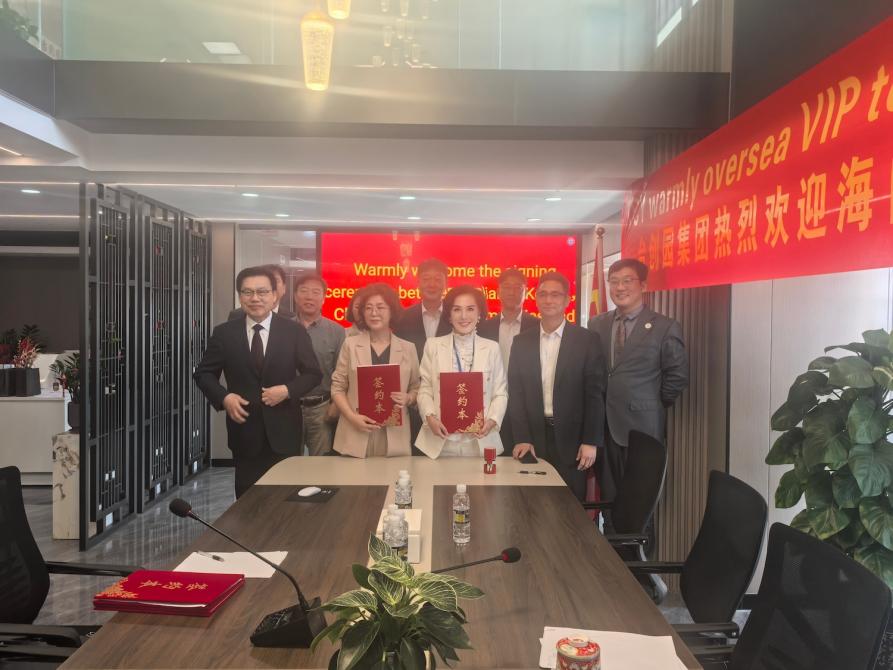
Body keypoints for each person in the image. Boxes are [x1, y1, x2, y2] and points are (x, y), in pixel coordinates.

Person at [194, 266, 321, 498]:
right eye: (248, 292)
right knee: (247, 499)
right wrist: (224, 397)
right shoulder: (224, 333)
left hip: (284, 430)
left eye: (262, 292)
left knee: (285, 499)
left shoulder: (293, 331)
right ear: (240, 296)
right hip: (244, 430)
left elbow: (313, 373)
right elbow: (203, 374)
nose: (255, 298)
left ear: (274, 295)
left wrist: (287, 390)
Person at [587, 258, 688, 505]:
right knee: (609, 500)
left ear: (643, 285)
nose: (620, 287)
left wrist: (649, 402)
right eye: (614, 282)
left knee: (640, 504)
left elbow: (677, 376)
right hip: (604, 429)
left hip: (643, 429)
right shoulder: (597, 324)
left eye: (627, 281)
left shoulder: (665, 327)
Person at [508, 271, 605, 500]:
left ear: (567, 300)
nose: (548, 300)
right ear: (536, 299)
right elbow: (516, 393)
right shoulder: (521, 342)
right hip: (533, 439)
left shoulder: (586, 340)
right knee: (533, 504)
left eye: (555, 295)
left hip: (573, 441)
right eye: (543, 294)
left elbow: (594, 394)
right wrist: (522, 437)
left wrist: (590, 441)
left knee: (570, 505)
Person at [415, 285, 507, 458]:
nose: (464, 316)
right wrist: (430, 418)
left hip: (480, 442)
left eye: (470, 309)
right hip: (439, 441)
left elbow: (500, 393)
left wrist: (491, 421)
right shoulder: (433, 345)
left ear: (479, 314)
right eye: (457, 309)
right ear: (449, 315)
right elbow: (425, 388)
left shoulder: (492, 348)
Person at [331, 283, 420, 457]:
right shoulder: (350, 345)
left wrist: (409, 398)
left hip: (395, 432)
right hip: (356, 429)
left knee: (393, 474)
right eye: (368, 308)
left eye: (380, 307)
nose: (374, 313)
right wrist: (352, 417)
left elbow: (417, 387)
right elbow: (337, 387)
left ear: (392, 311)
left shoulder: (408, 348)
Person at [477, 267, 540, 453]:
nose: (512, 292)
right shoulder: (484, 328)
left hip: (527, 403)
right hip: (490, 401)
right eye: (507, 287)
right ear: (498, 291)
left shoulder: (538, 326)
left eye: (517, 288)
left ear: (526, 292)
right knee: (492, 455)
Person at [394, 257, 451, 448]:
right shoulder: (403, 317)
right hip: (412, 398)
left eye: (437, 279)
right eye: (426, 279)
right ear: (418, 283)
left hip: (447, 397)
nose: (432, 284)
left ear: (445, 283)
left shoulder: (455, 317)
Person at [293, 272, 345, 456]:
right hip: (289, 407)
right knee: (289, 461)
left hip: (321, 408)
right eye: (304, 291)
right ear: (295, 296)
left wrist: (335, 404)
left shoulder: (336, 331)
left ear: (323, 299)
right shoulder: (283, 329)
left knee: (322, 462)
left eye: (315, 292)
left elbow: (342, 372)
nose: (309, 297)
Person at [228, 264, 296, 321]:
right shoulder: (236, 315)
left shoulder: (292, 318)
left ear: (284, 288)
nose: (272, 285)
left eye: (276, 280)